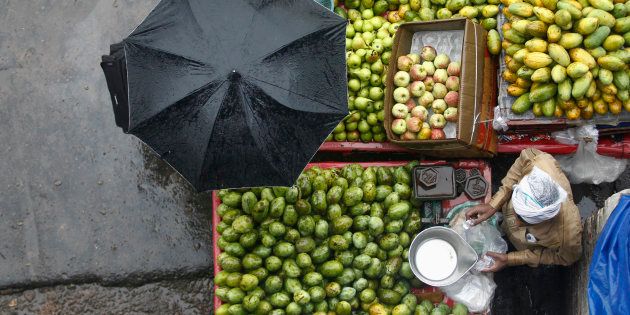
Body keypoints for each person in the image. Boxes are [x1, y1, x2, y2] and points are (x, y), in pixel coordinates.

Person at [466, 148, 582, 272]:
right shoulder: (540, 163)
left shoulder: (568, 236)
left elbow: (566, 258)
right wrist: (494, 204)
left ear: (544, 219)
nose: (516, 222)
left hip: (524, 246)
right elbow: (523, 158)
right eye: (516, 212)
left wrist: (512, 259)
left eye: (524, 220)